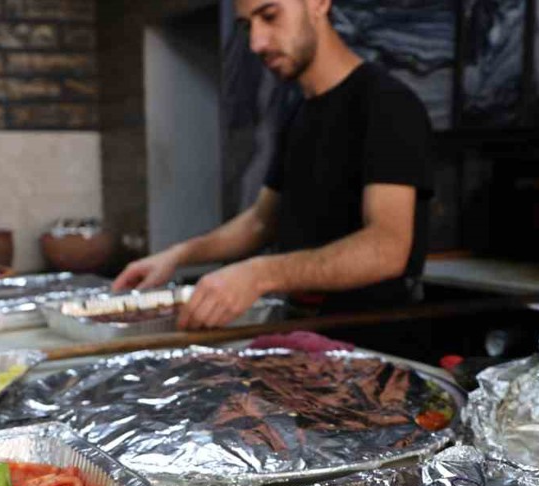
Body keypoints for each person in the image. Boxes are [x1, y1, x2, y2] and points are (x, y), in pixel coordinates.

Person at [114, 0, 433, 334]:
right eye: (247, 26)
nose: (257, 43)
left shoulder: (388, 104)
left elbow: (387, 248)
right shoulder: (297, 113)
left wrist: (259, 273)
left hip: (373, 345)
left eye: (270, 16)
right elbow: (260, 222)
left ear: (319, 4)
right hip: (305, 337)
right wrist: (177, 256)